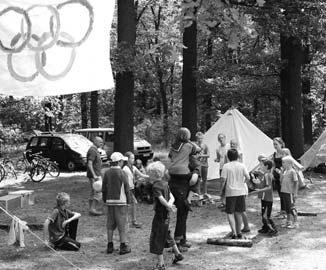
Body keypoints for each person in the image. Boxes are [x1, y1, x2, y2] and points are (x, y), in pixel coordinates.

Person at [148, 161, 184, 270]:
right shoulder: (165, 183)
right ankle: (177, 254)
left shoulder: (155, 186)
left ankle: (161, 264)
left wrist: (167, 206)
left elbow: (161, 198)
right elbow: (172, 197)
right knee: (166, 234)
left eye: (149, 173)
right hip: (167, 217)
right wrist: (170, 205)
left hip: (160, 216)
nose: (149, 175)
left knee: (157, 237)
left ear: (154, 174)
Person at [168, 127, 200, 249]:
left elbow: (171, 156)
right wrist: (189, 141)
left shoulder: (173, 146)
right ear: (186, 136)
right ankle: (178, 241)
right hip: (183, 174)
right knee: (197, 177)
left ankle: (183, 239)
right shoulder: (188, 146)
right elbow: (198, 149)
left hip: (172, 174)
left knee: (183, 211)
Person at [102, 152, 131, 255]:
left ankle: (110, 246)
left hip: (110, 202)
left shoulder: (106, 173)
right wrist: (129, 201)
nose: (123, 162)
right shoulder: (123, 173)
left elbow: (104, 188)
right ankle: (123, 246)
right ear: (119, 162)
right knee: (122, 224)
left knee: (110, 224)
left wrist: (105, 200)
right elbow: (127, 189)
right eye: (122, 161)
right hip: (121, 202)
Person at [221, 149, 250, 239]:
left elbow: (223, 180)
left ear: (228, 157)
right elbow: (248, 177)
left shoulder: (226, 166)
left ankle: (234, 232)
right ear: (237, 156)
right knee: (239, 212)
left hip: (230, 192)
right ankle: (239, 231)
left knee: (230, 213)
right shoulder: (242, 165)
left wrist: (221, 191)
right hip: (240, 191)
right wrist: (242, 183)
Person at [249, 160, 278, 236]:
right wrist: (256, 182)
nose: (260, 166)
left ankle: (274, 229)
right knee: (263, 213)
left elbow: (269, 187)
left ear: (266, 166)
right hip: (264, 198)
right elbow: (263, 184)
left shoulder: (267, 175)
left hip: (268, 198)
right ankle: (265, 228)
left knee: (266, 216)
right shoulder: (265, 174)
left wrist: (257, 191)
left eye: (261, 165)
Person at [123, 151, 149, 228]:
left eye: (133, 158)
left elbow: (142, 175)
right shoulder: (125, 169)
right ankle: (131, 221)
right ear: (127, 159)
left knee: (130, 204)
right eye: (132, 158)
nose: (133, 159)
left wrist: (151, 176)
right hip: (128, 189)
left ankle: (129, 221)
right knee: (131, 204)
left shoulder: (133, 167)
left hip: (132, 188)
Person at [280, 156, 299, 229]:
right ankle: (288, 221)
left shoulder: (292, 171)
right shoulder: (285, 171)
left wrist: (295, 193)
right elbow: (281, 181)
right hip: (284, 192)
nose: (282, 164)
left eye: (283, 162)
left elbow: (296, 182)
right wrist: (281, 173)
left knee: (292, 207)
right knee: (287, 208)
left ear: (289, 163)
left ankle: (295, 222)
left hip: (289, 192)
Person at [86, 136, 104, 215]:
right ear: (95, 141)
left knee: (93, 191)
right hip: (95, 175)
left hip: (96, 174)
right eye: (100, 142)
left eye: (102, 142)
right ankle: (93, 209)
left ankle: (91, 209)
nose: (101, 144)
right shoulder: (93, 150)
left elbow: (95, 163)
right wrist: (94, 175)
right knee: (98, 192)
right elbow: (89, 164)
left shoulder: (95, 150)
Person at [272, 137, 286, 217]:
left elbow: (288, 163)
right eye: (274, 144)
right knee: (280, 193)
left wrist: (282, 172)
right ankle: (282, 210)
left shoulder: (284, 152)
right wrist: (272, 174)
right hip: (276, 176)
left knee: (284, 193)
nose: (275, 146)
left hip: (283, 176)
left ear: (281, 144)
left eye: (276, 144)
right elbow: (273, 165)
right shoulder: (275, 154)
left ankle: (285, 212)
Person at [195, 132, 210, 197]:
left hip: (204, 164)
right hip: (197, 164)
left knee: (205, 179)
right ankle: (198, 193)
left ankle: (205, 192)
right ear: (196, 138)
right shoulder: (194, 146)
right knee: (198, 179)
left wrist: (201, 155)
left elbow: (208, 155)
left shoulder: (205, 146)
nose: (200, 139)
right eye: (198, 138)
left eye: (201, 138)